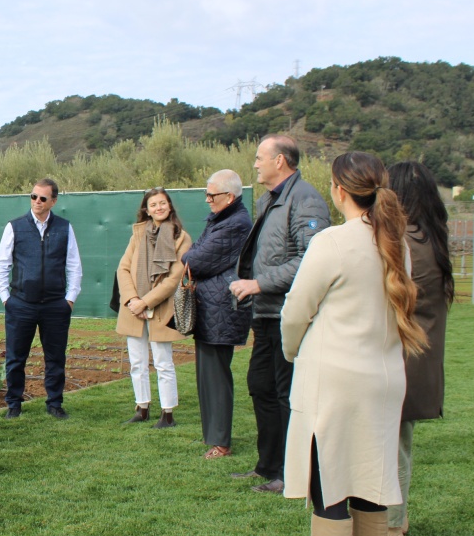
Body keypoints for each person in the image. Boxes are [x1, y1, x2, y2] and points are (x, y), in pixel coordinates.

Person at [281, 151, 427, 536]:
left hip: (335, 385)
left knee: (330, 490)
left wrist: (292, 351)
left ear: (338, 190)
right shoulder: (396, 243)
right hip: (383, 383)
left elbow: (295, 311)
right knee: (371, 486)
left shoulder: (332, 242)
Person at [229, 135, 331, 493]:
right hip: (266, 314)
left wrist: (258, 284)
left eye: (260, 158)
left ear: (281, 161)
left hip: (291, 316)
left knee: (289, 395)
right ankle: (267, 465)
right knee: (261, 386)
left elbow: (311, 260)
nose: (255, 163)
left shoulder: (305, 200)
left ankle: (292, 473)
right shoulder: (267, 201)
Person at [384, 161, 453, 536]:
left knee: (392, 448)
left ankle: (393, 530)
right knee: (398, 445)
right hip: (419, 362)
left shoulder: (406, 243)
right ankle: (397, 520)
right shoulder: (432, 239)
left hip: (401, 361)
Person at [0, 178, 83, 419]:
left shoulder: (65, 228)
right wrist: (6, 299)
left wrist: (69, 299)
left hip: (55, 305)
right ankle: (14, 404)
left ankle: (55, 403)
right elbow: (2, 265)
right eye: (33, 196)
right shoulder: (15, 226)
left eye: (43, 198)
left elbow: (74, 266)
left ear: (53, 201)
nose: (37, 202)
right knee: (15, 357)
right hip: (21, 304)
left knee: (55, 358)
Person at [180, 170, 253, 459]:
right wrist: (190, 257)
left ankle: (221, 440)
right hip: (211, 308)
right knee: (207, 375)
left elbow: (194, 259)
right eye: (207, 194)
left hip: (221, 309)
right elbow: (193, 254)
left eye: (212, 195)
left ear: (229, 197)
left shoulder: (235, 223)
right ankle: (213, 435)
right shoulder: (221, 220)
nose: (208, 200)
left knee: (217, 376)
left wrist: (190, 259)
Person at [115, 187, 191, 428]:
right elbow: (123, 268)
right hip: (133, 308)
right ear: (146, 210)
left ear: (169, 206)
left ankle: (167, 413)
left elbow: (174, 278)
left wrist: (145, 302)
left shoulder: (181, 238)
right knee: (137, 361)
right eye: (153, 204)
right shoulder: (138, 234)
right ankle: (142, 407)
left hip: (161, 307)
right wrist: (131, 300)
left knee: (163, 361)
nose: (159, 208)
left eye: (162, 203)